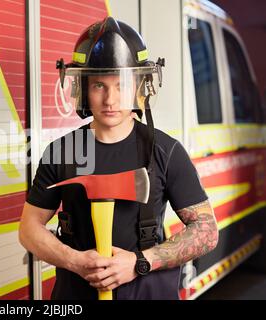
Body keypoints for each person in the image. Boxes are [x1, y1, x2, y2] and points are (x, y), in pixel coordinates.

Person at [19, 17, 219, 300]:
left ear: (140, 87)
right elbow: (29, 229)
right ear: (83, 90)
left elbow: (207, 230)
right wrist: (75, 261)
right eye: (99, 85)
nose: (110, 99)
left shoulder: (165, 151)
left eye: (121, 85)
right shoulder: (61, 151)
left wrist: (140, 262)